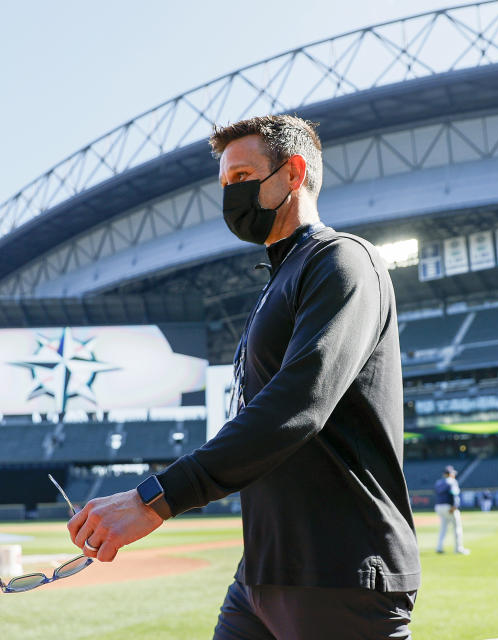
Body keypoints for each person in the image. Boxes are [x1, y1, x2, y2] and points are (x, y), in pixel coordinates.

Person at [66, 115, 421, 639]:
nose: (230, 195)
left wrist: (155, 497)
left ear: (294, 172)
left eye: (241, 177)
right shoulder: (278, 283)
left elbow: (297, 405)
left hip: (338, 572)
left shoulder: (343, 261)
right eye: (225, 184)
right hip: (262, 575)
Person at [434, 465, 470, 555]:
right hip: (449, 506)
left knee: (443, 528)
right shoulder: (452, 481)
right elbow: (455, 494)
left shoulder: (438, 482)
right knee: (457, 527)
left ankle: (439, 547)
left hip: (439, 506)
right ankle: (458, 548)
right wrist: (455, 506)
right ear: (450, 474)